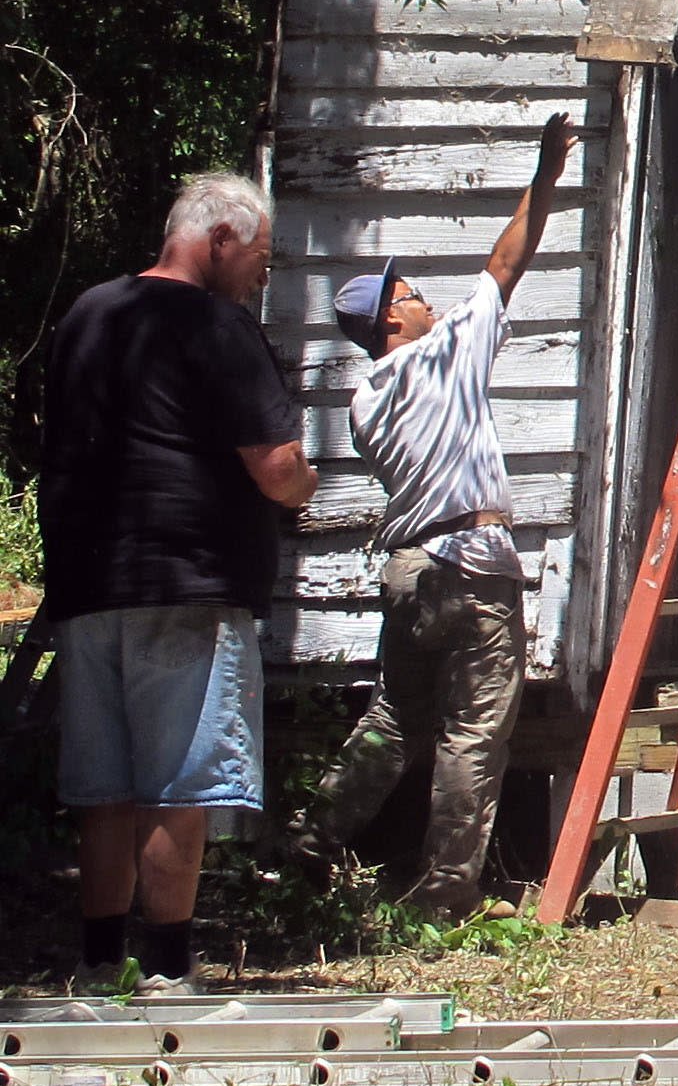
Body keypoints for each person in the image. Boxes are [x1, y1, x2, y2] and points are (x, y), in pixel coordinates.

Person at [288, 112, 573, 919]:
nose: (427, 301)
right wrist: (544, 173)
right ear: (390, 322)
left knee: (393, 715)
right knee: (471, 734)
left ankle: (315, 840)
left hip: (409, 572)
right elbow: (507, 262)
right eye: (412, 296)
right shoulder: (442, 353)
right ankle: (445, 894)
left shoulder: (365, 401)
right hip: (472, 569)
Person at [39, 173, 316, 995]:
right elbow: (274, 467)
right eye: (259, 256)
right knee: (177, 786)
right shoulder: (218, 326)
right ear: (220, 238)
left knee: (105, 787)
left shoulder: (88, 315)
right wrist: (307, 482)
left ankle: (96, 962)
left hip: (90, 584)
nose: (261, 275)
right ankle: (165, 968)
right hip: (186, 583)